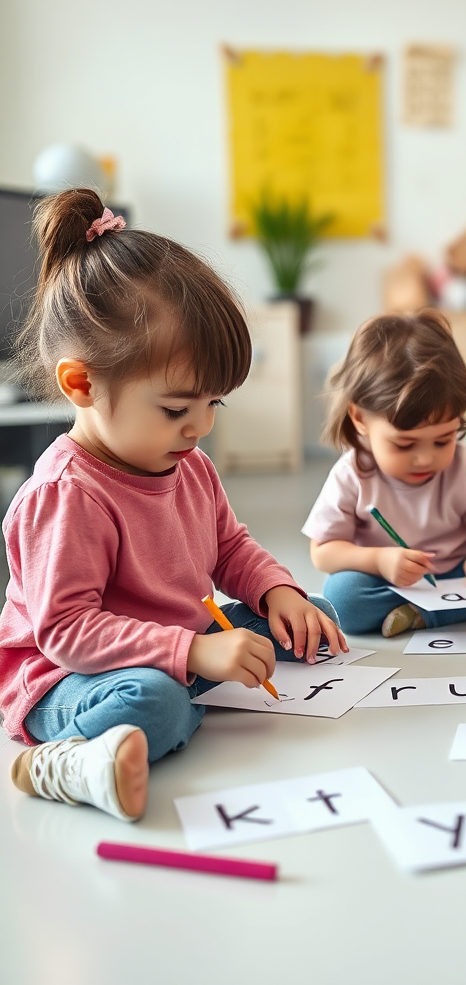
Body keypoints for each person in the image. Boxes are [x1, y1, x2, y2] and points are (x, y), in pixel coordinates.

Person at [1, 189, 345, 822]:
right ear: (82, 384)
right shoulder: (65, 495)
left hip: (175, 642)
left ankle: (189, 686)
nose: (200, 428)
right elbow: (66, 632)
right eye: (176, 409)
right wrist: (193, 655)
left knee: (310, 614)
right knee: (156, 700)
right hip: (70, 680)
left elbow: (230, 547)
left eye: (213, 405)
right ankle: (59, 762)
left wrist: (275, 594)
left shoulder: (188, 464)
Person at [304, 310, 466, 637]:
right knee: (342, 596)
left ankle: (421, 617)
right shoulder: (352, 474)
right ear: (359, 418)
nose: (425, 458)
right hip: (390, 582)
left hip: (459, 574)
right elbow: (324, 552)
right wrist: (381, 561)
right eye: (404, 445)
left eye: (443, 440)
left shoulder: (463, 464)